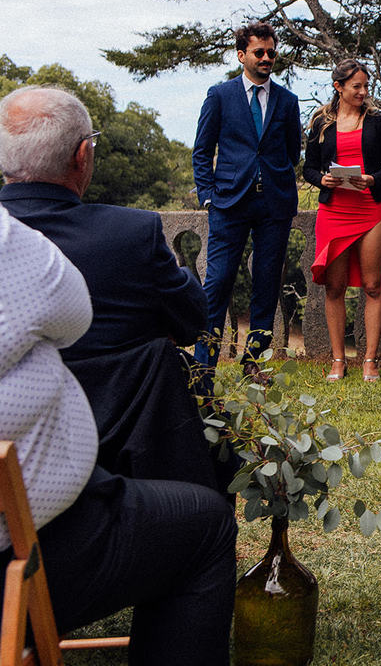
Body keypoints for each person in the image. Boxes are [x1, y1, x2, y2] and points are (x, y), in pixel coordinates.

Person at [0, 202, 236, 665]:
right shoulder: (29, 248)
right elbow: (79, 314)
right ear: (81, 156)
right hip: (28, 551)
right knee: (204, 527)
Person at [0, 86, 217, 489]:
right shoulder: (132, 233)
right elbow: (191, 322)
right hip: (131, 456)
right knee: (211, 519)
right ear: (82, 156)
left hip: (15, 473)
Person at [193, 21, 303, 386]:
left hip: (274, 204)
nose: (267, 57)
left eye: (271, 52)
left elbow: (291, 152)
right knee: (218, 281)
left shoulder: (287, 101)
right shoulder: (219, 95)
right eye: (260, 52)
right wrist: (208, 195)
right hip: (229, 203)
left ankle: (254, 363)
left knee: (267, 284)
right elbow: (202, 151)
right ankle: (204, 364)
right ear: (242, 56)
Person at [302, 59, 381, 382]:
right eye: (356, 86)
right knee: (335, 286)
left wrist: (373, 179)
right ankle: (338, 360)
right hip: (334, 212)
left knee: (373, 285)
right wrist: (323, 181)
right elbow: (308, 168)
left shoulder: (379, 120)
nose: (362, 92)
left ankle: (370, 359)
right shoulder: (320, 123)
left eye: (365, 86)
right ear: (338, 87)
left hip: (369, 209)